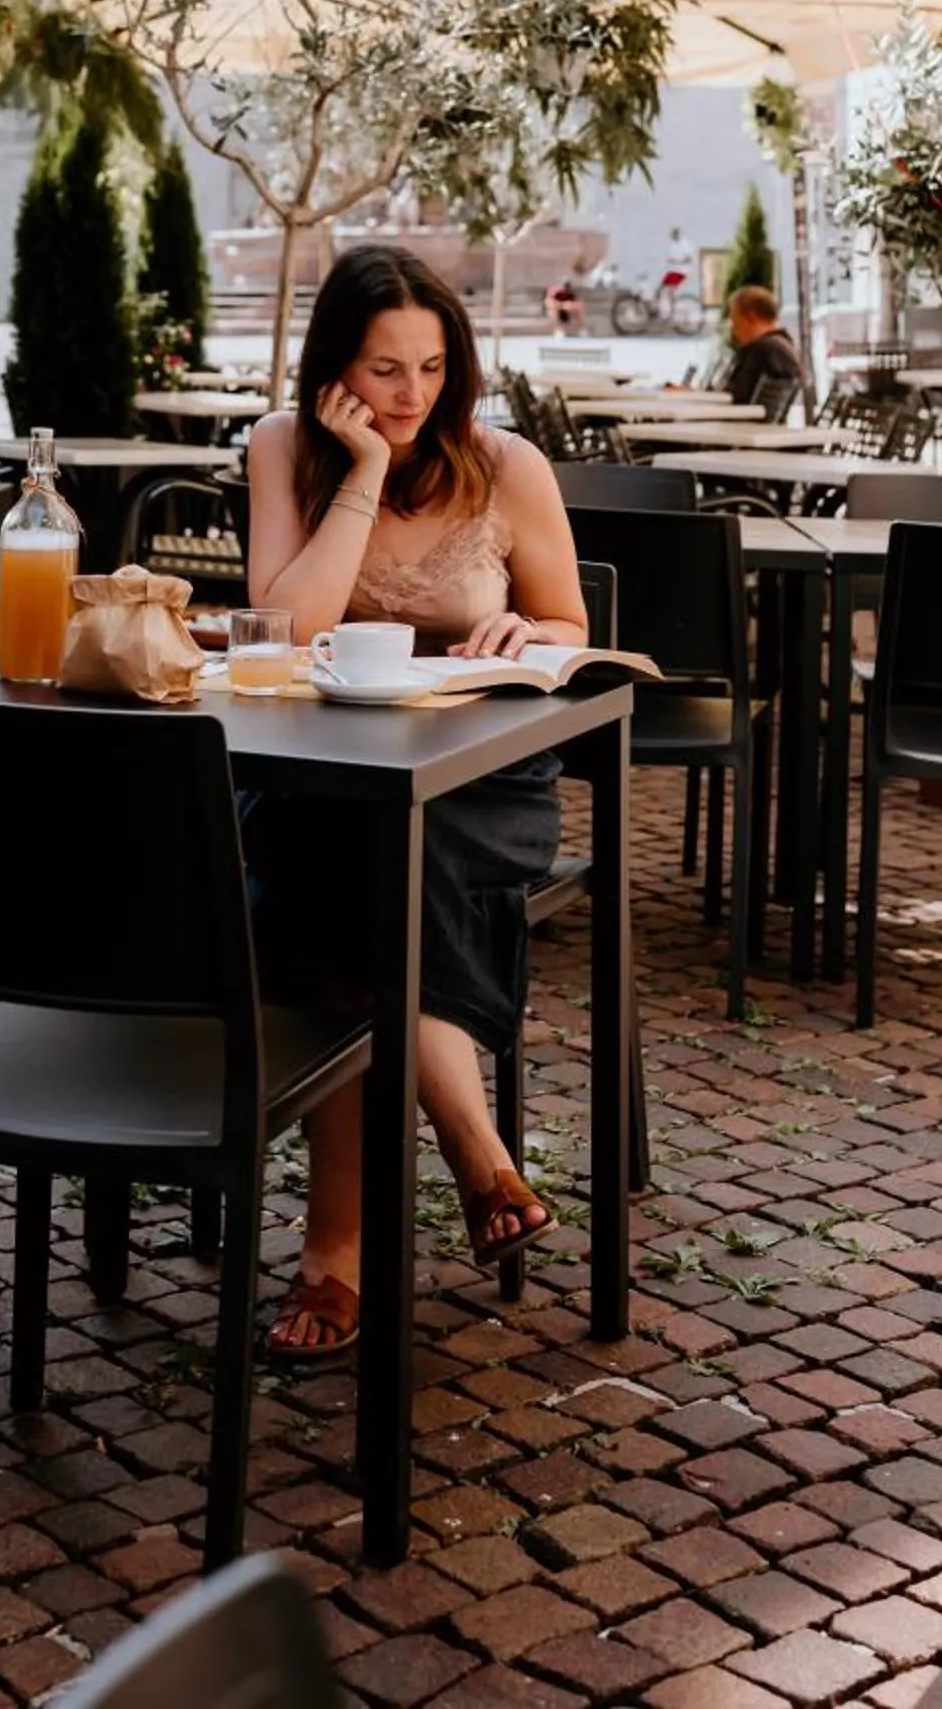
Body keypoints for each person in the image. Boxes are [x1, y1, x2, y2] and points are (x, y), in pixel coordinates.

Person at [244, 244, 592, 1360]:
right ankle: (478, 1155)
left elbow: (573, 628)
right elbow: (283, 631)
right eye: (384, 370)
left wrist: (521, 630)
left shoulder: (506, 468)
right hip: (319, 774)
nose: (410, 397)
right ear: (334, 368)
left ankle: (332, 1251)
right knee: (344, 866)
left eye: (432, 369)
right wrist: (354, 474)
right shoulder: (282, 448)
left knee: (371, 876)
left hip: (482, 779)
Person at [724, 283, 804, 407]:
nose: (733, 329)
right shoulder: (783, 346)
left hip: (745, 422)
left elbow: (737, 397)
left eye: (735, 321)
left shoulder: (761, 350)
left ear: (751, 317)